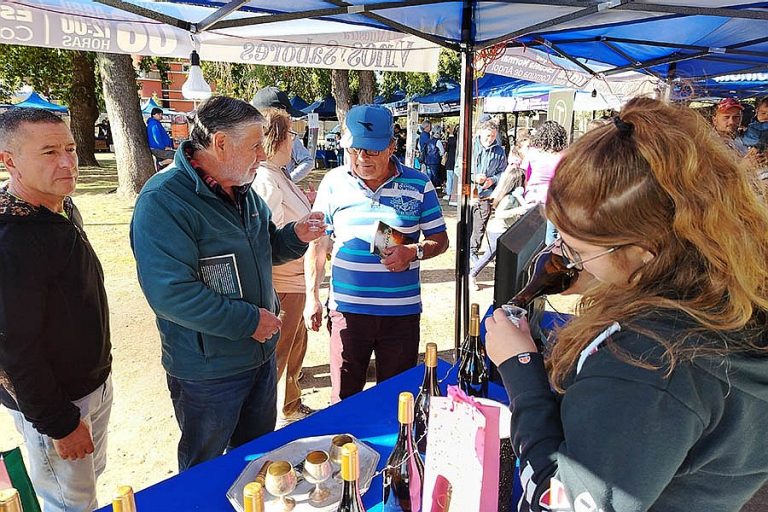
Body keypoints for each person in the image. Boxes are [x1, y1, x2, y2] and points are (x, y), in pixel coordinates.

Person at [485, 97, 768, 512]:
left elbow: (560, 501)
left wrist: (521, 372)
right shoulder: (723, 289)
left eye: (579, 249)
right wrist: (603, 269)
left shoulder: (649, 363)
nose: (563, 257)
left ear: (642, 253)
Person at [130, 96, 325, 471]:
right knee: (205, 469)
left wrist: (295, 236)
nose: (261, 155)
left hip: (259, 358)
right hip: (208, 371)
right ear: (220, 143)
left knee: (257, 461)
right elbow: (170, 293)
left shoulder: (243, 189)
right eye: (254, 146)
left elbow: (266, 246)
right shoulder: (163, 200)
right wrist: (249, 321)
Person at [0, 108, 112, 512]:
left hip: (92, 385)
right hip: (59, 403)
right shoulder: (10, 240)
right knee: (70, 503)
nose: (67, 162)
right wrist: (60, 424)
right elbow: (12, 351)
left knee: (87, 484)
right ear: (10, 161)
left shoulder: (58, 207)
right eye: (49, 152)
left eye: (71, 148)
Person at [306, 105, 449, 404]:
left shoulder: (419, 183)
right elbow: (318, 244)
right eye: (354, 149)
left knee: (396, 400)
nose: (362, 158)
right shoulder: (333, 182)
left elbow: (440, 240)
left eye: (371, 150)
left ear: (391, 147)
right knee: (343, 400)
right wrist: (312, 297)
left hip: (400, 315)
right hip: (347, 312)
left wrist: (413, 251)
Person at [251, 109, 318, 426]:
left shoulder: (276, 174)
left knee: (294, 346)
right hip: (284, 284)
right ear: (277, 138)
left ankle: (289, 405)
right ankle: (267, 423)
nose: (294, 141)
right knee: (279, 354)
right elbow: (270, 237)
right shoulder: (266, 179)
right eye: (291, 134)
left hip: (294, 281)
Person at [469, 153, 529, 281]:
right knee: (489, 255)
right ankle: (472, 274)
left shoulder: (515, 197)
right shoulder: (509, 198)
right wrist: (518, 210)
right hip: (498, 230)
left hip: (505, 230)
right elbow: (500, 214)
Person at [251, 86, 314, 183]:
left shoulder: (289, 136)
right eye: (286, 117)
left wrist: (288, 182)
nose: (290, 122)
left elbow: (308, 161)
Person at [470, 115, 507, 265]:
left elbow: (503, 172)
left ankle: (473, 250)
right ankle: (464, 247)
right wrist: (473, 177)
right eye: (488, 136)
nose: (490, 139)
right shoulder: (470, 146)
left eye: (493, 136)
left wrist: (493, 180)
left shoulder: (499, 151)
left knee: (480, 223)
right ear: (480, 132)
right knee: (466, 221)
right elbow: (459, 167)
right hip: (468, 191)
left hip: (486, 193)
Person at [422, 124, 445, 190]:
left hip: (428, 161)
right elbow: (442, 151)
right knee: (435, 176)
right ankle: (433, 188)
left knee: (429, 176)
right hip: (435, 161)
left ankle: (429, 188)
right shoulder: (438, 141)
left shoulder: (428, 141)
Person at [444, 126, 458, 204]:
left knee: (449, 178)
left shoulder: (450, 140)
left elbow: (446, 150)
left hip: (449, 161)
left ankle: (449, 193)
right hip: (457, 162)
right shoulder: (461, 141)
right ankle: (454, 194)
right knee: (455, 178)